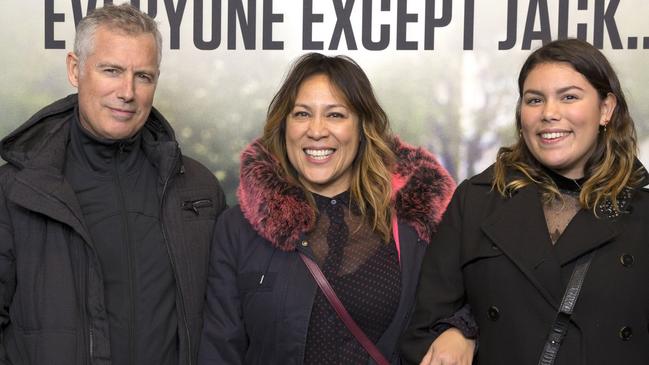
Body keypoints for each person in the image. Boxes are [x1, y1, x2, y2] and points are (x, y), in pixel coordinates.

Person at [197, 53, 476, 364]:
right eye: (302, 114)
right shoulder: (239, 229)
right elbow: (219, 349)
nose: (316, 130)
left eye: (335, 115)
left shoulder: (415, 222)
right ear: (284, 126)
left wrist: (463, 331)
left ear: (361, 128)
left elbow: (485, 293)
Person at [0, 4, 226, 365]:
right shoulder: (15, 190)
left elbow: (226, 323)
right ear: (75, 69)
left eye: (144, 76)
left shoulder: (197, 189)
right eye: (112, 70)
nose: (127, 92)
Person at [400, 38, 649, 365]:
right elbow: (424, 328)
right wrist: (458, 329)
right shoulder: (477, 200)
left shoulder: (641, 213)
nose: (549, 113)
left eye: (569, 97)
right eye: (535, 100)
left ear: (606, 109)